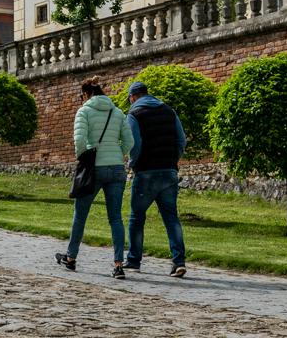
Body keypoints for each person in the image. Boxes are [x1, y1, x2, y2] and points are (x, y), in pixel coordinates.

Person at [56, 79, 133, 279]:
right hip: (116, 168)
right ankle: (118, 265)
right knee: (115, 217)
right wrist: (117, 154)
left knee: (80, 215)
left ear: (86, 94)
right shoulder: (117, 112)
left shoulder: (84, 111)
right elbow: (129, 141)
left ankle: (71, 258)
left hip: (93, 169)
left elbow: (80, 142)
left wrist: (84, 158)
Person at [123, 80, 189, 278]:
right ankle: (179, 262)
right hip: (169, 171)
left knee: (137, 217)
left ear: (132, 97)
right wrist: (172, 159)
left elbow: (134, 143)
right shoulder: (169, 111)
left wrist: (133, 163)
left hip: (146, 172)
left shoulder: (133, 114)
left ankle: (134, 261)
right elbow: (181, 140)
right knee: (171, 217)